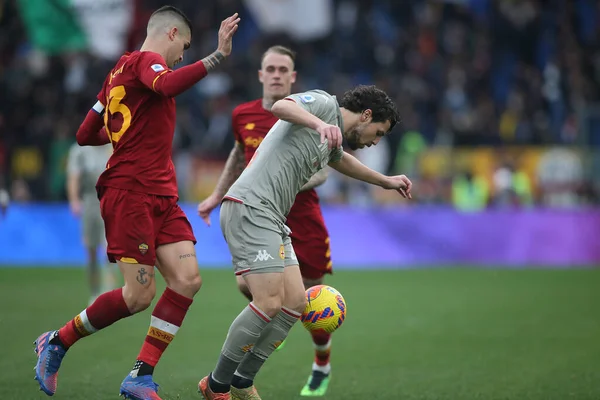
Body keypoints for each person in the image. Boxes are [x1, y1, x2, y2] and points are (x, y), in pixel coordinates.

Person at [32, 6, 240, 400]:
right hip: (130, 193)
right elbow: (166, 86)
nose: (182, 56)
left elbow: (84, 132)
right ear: (173, 33)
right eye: (186, 47)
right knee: (138, 297)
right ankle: (57, 341)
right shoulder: (148, 62)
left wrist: (123, 137)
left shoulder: (116, 74)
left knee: (187, 280)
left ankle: (139, 376)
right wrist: (216, 57)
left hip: (161, 194)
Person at [197, 85, 412, 400]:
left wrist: (386, 181)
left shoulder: (333, 138)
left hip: (272, 217)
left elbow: (341, 161)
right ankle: (216, 386)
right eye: (378, 132)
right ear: (366, 115)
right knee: (268, 301)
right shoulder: (324, 105)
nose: (375, 142)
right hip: (250, 207)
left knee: (295, 303)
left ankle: (242, 380)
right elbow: (281, 106)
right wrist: (318, 123)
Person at [197, 45, 335, 396]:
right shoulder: (242, 114)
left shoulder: (309, 110)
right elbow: (238, 155)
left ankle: (322, 361)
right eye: (269, 68)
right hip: (258, 216)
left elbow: (324, 168)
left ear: (293, 78)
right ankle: (244, 370)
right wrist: (216, 195)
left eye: (282, 69)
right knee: (257, 290)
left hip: (303, 218)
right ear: (260, 75)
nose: (275, 74)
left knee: (315, 301)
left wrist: (280, 179)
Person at [66, 142, 119, 305]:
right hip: (90, 201)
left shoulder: (114, 146)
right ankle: (95, 292)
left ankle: (109, 291)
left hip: (112, 200)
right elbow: (74, 176)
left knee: (110, 248)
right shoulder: (80, 149)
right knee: (91, 249)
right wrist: (74, 200)